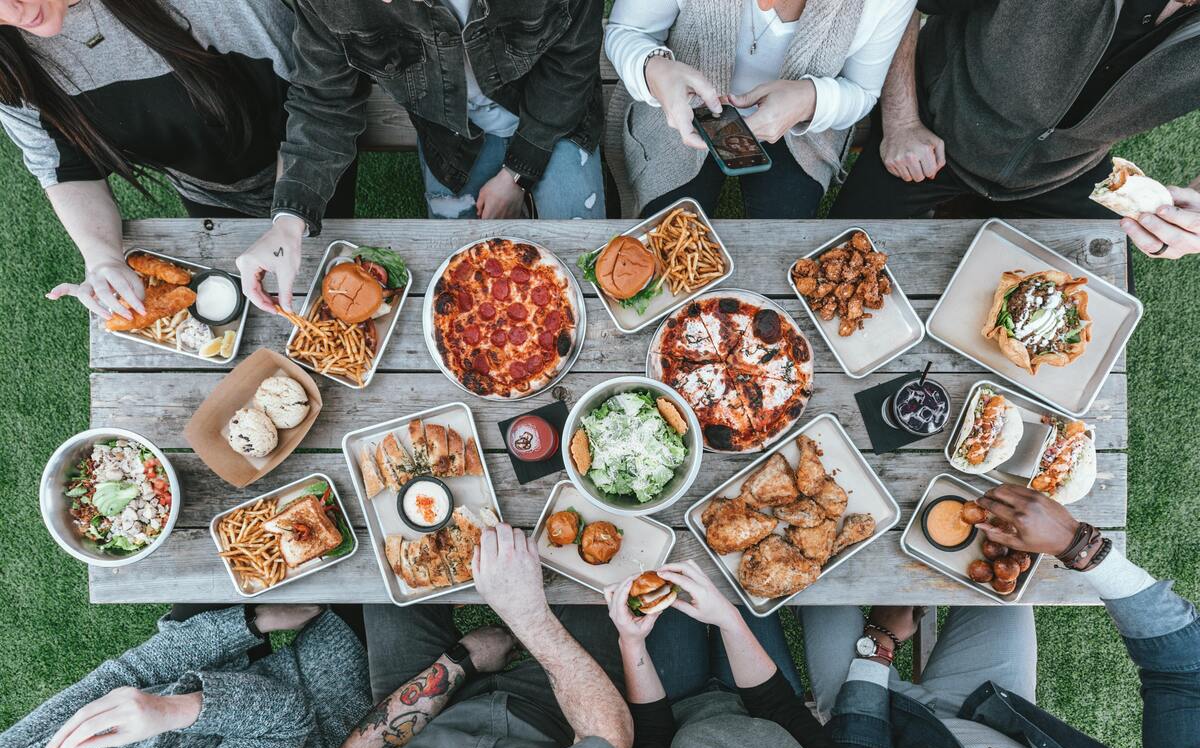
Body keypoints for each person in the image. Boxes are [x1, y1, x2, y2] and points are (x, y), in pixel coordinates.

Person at [801, 485, 1200, 748]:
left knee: (809, 574)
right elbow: (1185, 674)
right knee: (997, 555)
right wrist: (1076, 544)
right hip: (991, 708)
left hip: (879, 726)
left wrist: (879, 645)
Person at [237, 0, 607, 315]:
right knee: (462, 292)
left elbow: (572, 61)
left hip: (555, 116)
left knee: (587, 270)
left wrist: (517, 174)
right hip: (452, 139)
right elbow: (324, 102)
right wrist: (289, 222)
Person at [0, 0, 351, 321]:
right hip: (204, 190)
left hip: (308, 162)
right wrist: (102, 257)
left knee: (328, 286)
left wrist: (290, 217)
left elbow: (314, 99)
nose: (12, 12)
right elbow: (63, 165)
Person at [830, 2, 1200, 260]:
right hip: (935, 125)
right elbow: (902, 4)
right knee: (833, 260)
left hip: (1068, 168)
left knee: (1092, 322)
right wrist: (901, 120)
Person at [300, 523, 633, 748]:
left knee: (389, 554)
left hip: (421, 719)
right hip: (558, 720)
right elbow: (604, 739)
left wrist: (460, 661)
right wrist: (528, 616)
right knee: (604, 571)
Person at [0, 604, 370, 748]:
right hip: (319, 693)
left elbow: (130, 672)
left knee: (223, 535)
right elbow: (285, 719)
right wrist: (166, 711)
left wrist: (250, 623)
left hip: (219, 670)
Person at [604, 0, 916, 220]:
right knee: (668, 236)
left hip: (802, 131)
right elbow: (628, 31)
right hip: (681, 110)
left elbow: (861, 90)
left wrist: (810, 99)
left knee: (784, 237)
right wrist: (655, 69)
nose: (764, 6)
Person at [605, 560, 881, 748]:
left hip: (675, 706)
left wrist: (632, 643)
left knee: (660, 565)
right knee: (746, 571)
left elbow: (652, 734)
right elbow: (779, 707)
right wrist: (728, 619)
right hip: (762, 702)